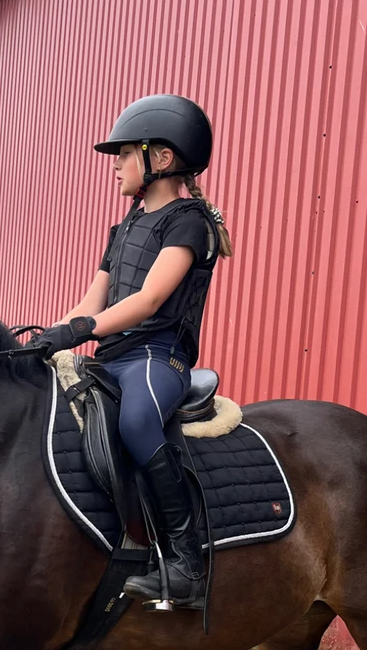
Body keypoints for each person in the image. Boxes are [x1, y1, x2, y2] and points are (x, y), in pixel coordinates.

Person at [31, 94, 232, 608]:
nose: (115, 165)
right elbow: (92, 300)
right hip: (111, 357)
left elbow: (150, 300)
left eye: (123, 154)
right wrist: (51, 336)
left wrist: (80, 329)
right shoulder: (122, 229)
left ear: (160, 159)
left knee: (138, 422)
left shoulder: (188, 222)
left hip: (156, 357)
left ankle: (187, 565)